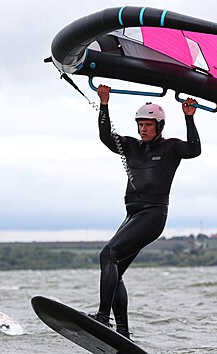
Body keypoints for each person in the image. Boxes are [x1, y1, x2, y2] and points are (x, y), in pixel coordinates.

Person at [88, 84, 201, 339]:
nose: (143, 129)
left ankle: (103, 318)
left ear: (159, 126)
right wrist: (104, 104)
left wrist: (189, 117)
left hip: (153, 214)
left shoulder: (170, 148)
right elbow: (107, 137)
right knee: (114, 271)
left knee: (108, 255)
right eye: (140, 124)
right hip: (133, 215)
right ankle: (124, 333)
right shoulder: (131, 146)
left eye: (148, 125)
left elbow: (194, 149)